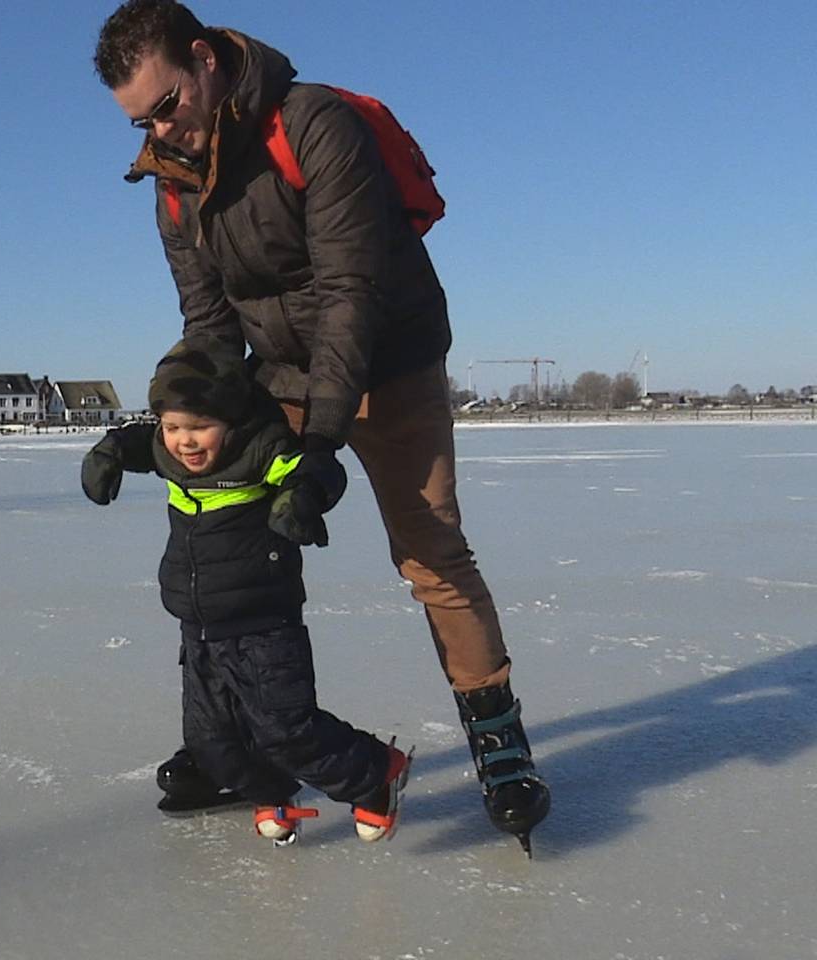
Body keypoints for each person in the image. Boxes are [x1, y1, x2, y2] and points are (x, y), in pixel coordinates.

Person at [93, 0, 550, 852]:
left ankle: (499, 742)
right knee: (222, 526)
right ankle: (232, 741)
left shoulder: (313, 124)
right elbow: (208, 328)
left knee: (430, 551)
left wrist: (318, 446)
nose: (161, 130)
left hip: (391, 357)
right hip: (283, 373)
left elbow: (349, 294)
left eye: (167, 105)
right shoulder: (173, 181)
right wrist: (156, 435)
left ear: (204, 60)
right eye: (140, 121)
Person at [82, 339, 412, 845]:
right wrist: (109, 452)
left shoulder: (261, 449)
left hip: (263, 624)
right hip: (199, 629)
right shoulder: (166, 450)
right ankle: (273, 793)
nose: (185, 442)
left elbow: (317, 470)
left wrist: (302, 497)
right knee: (211, 742)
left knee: (286, 731)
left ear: (231, 420)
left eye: (200, 427)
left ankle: (375, 771)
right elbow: (137, 441)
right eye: (173, 427)